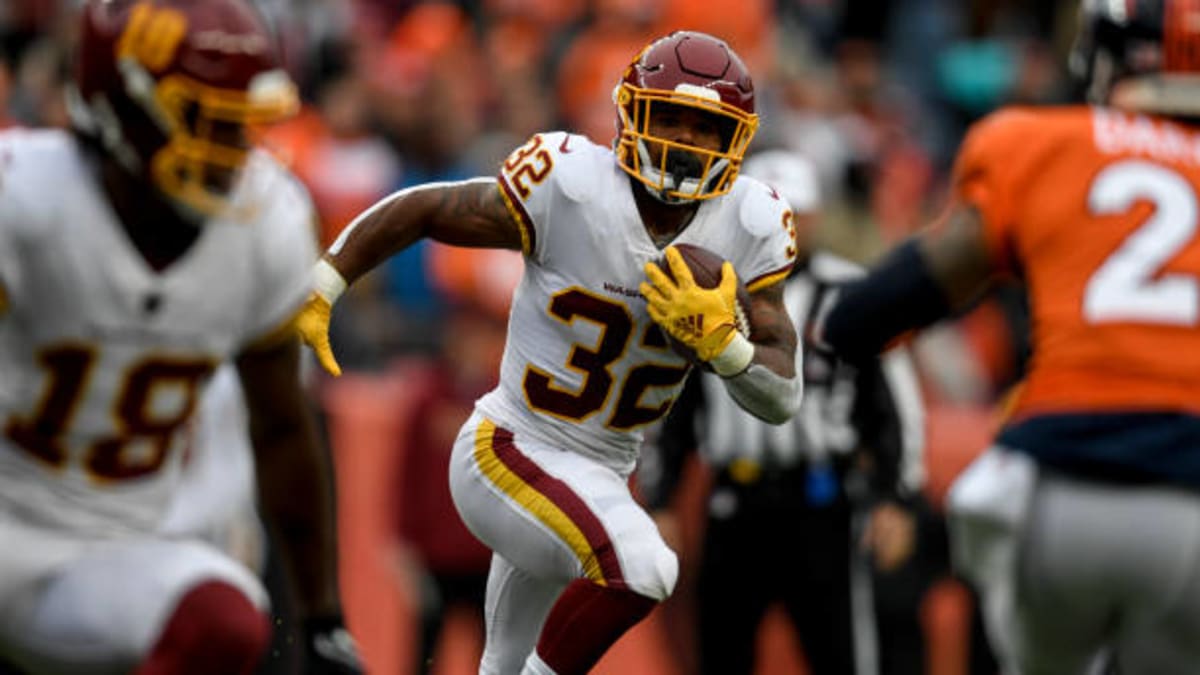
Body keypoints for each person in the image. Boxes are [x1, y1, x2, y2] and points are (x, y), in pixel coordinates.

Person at [298, 30, 802, 675]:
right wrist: (326, 281)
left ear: (736, 137)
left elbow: (783, 396)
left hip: (603, 471)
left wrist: (725, 348)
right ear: (630, 114)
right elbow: (430, 207)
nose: (683, 141)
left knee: (502, 664)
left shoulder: (750, 223)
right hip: (508, 450)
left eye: (704, 126)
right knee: (644, 567)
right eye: (669, 117)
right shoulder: (573, 184)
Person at [814, 1, 1200, 673]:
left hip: (1065, 483)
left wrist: (842, 321)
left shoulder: (1043, 142)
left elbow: (913, 289)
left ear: (1110, 57)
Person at [0, 1, 359, 673]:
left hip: (115, 552)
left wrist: (322, 615)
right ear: (122, 107)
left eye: (237, 125)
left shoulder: (266, 224)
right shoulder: (23, 196)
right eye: (204, 120)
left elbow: (283, 426)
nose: (231, 153)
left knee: (225, 619)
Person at [641, 149, 930, 675]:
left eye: (794, 217)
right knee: (720, 654)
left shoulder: (847, 292)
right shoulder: (709, 290)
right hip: (734, 497)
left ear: (815, 217)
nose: (780, 233)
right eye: (769, 219)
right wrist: (660, 498)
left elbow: (892, 403)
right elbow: (673, 402)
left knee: (840, 653)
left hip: (822, 502)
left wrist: (897, 495)